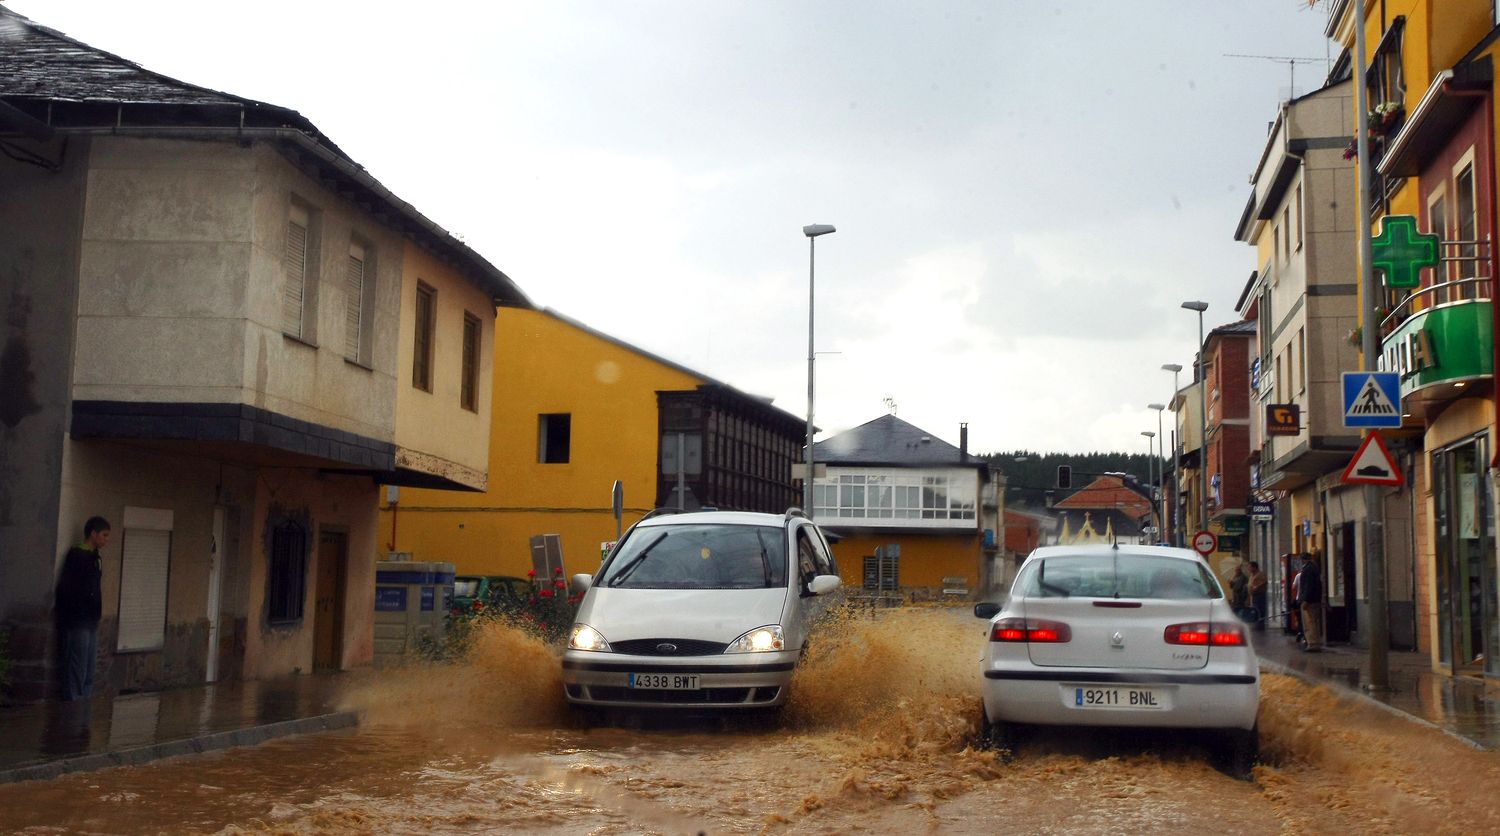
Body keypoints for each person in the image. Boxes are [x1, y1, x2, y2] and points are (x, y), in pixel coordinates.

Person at [56, 516, 109, 700]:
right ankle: (73, 703)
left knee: (89, 667)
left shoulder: (97, 558)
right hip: (78, 619)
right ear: (93, 534)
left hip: (91, 618)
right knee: (77, 665)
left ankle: (84, 704)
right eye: (104, 535)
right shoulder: (77, 555)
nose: (106, 539)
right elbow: (67, 588)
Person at [1295, 552, 1324, 652]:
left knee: (1309, 622)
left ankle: (1312, 643)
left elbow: (1308, 586)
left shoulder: (1308, 569)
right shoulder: (1314, 568)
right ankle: (1315, 642)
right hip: (1315, 600)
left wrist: (1306, 600)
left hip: (1309, 601)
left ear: (1303, 559)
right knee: (1314, 622)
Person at [1247, 561, 1268, 632]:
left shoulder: (1260, 574)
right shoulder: (1251, 575)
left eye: (1249, 567)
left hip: (1259, 596)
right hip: (1254, 596)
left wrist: (1257, 587)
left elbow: (1264, 582)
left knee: (1260, 611)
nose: (1248, 569)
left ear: (1254, 567)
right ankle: (1257, 626)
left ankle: (1260, 627)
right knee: (1255, 611)